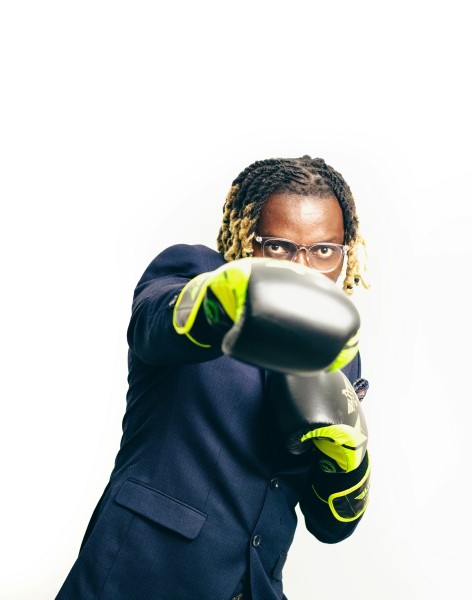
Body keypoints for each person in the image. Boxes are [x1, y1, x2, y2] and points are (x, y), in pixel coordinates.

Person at [55, 155, 371, 600]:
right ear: (246, 237)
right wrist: (234, 295)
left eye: (324, 250)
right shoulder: (193, 270)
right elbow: (153, 327)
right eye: (279, 246)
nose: (302, 267)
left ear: (345, 252)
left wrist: (348, 468)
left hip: (256, 587)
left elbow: (330, 527)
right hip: (141, 575)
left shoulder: (338, 357)